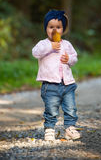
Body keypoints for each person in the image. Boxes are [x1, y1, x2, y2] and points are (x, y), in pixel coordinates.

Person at [32, 9, 81, 141]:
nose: (54, 30)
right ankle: (49, 129)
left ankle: (70, 128)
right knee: (51, 109)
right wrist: (50, 47)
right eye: (51, 27)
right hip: (50, 84)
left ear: (63, 29)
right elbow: (35, 53)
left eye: (58, 27)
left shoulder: (66, 44)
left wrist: (69, 59)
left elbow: (74, 57)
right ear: (46, 28)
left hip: (67, 84)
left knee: (70, 108)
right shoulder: (43, 44)